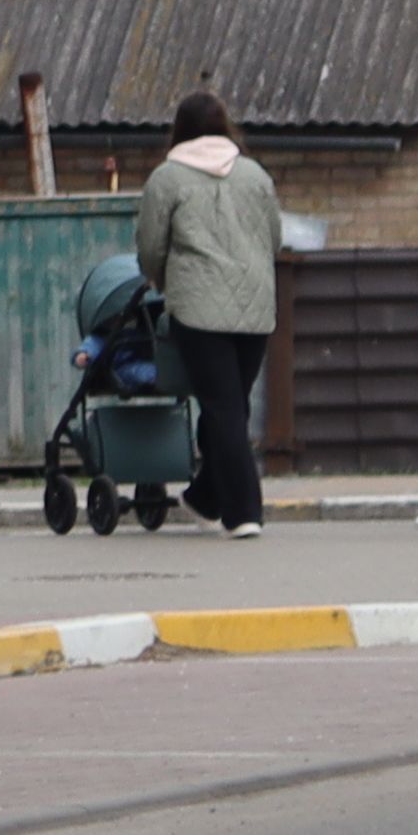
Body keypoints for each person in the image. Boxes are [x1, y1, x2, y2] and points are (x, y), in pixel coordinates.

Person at [135, 91, 288, 539]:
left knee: (223, 409)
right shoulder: (255, 175)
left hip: (199, 307)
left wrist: (158, 277)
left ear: (179, 128)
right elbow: (275, 238)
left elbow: (151, 246)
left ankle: (244, 512)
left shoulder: (167, 179)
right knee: (231, 406)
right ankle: (205, 497)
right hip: (256, 306)